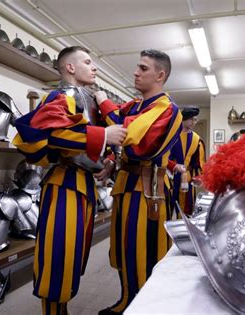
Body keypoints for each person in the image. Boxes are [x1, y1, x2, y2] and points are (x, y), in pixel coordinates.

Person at [12, 46, 126, 315]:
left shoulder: (87, 98)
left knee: (73, 256)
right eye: (88, 62)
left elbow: (94, 141)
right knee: (57, 255)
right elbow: (46, 136)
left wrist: (109, 160)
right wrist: (102, 136)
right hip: (64, 184)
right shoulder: (62, 95)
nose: (94, 67)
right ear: (70, 68)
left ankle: (61, 309)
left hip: (84, 184)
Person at [94, 49, 183, 314]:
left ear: (160, 74)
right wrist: (111, 160)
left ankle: (144, 307)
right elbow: (117, 131)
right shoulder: (134, 105)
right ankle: (126, 300)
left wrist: (103, 101)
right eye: (137, 67)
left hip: (148, 191)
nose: (136, 72)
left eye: (143, 68)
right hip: (125, 185)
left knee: (143, 252)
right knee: (121, 250)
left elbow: (129, 136)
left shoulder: (168, 109)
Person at [168, 106, 206, 217]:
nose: (195, 122)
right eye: (193, 119)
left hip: (187, 179)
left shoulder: (196, 139)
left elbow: (199, 161)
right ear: (185, 118)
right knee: (168, 209)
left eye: (196, 119)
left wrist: (198, 177)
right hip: (170, 177)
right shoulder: (171, 135)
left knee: (186, 211)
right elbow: (164, 156)